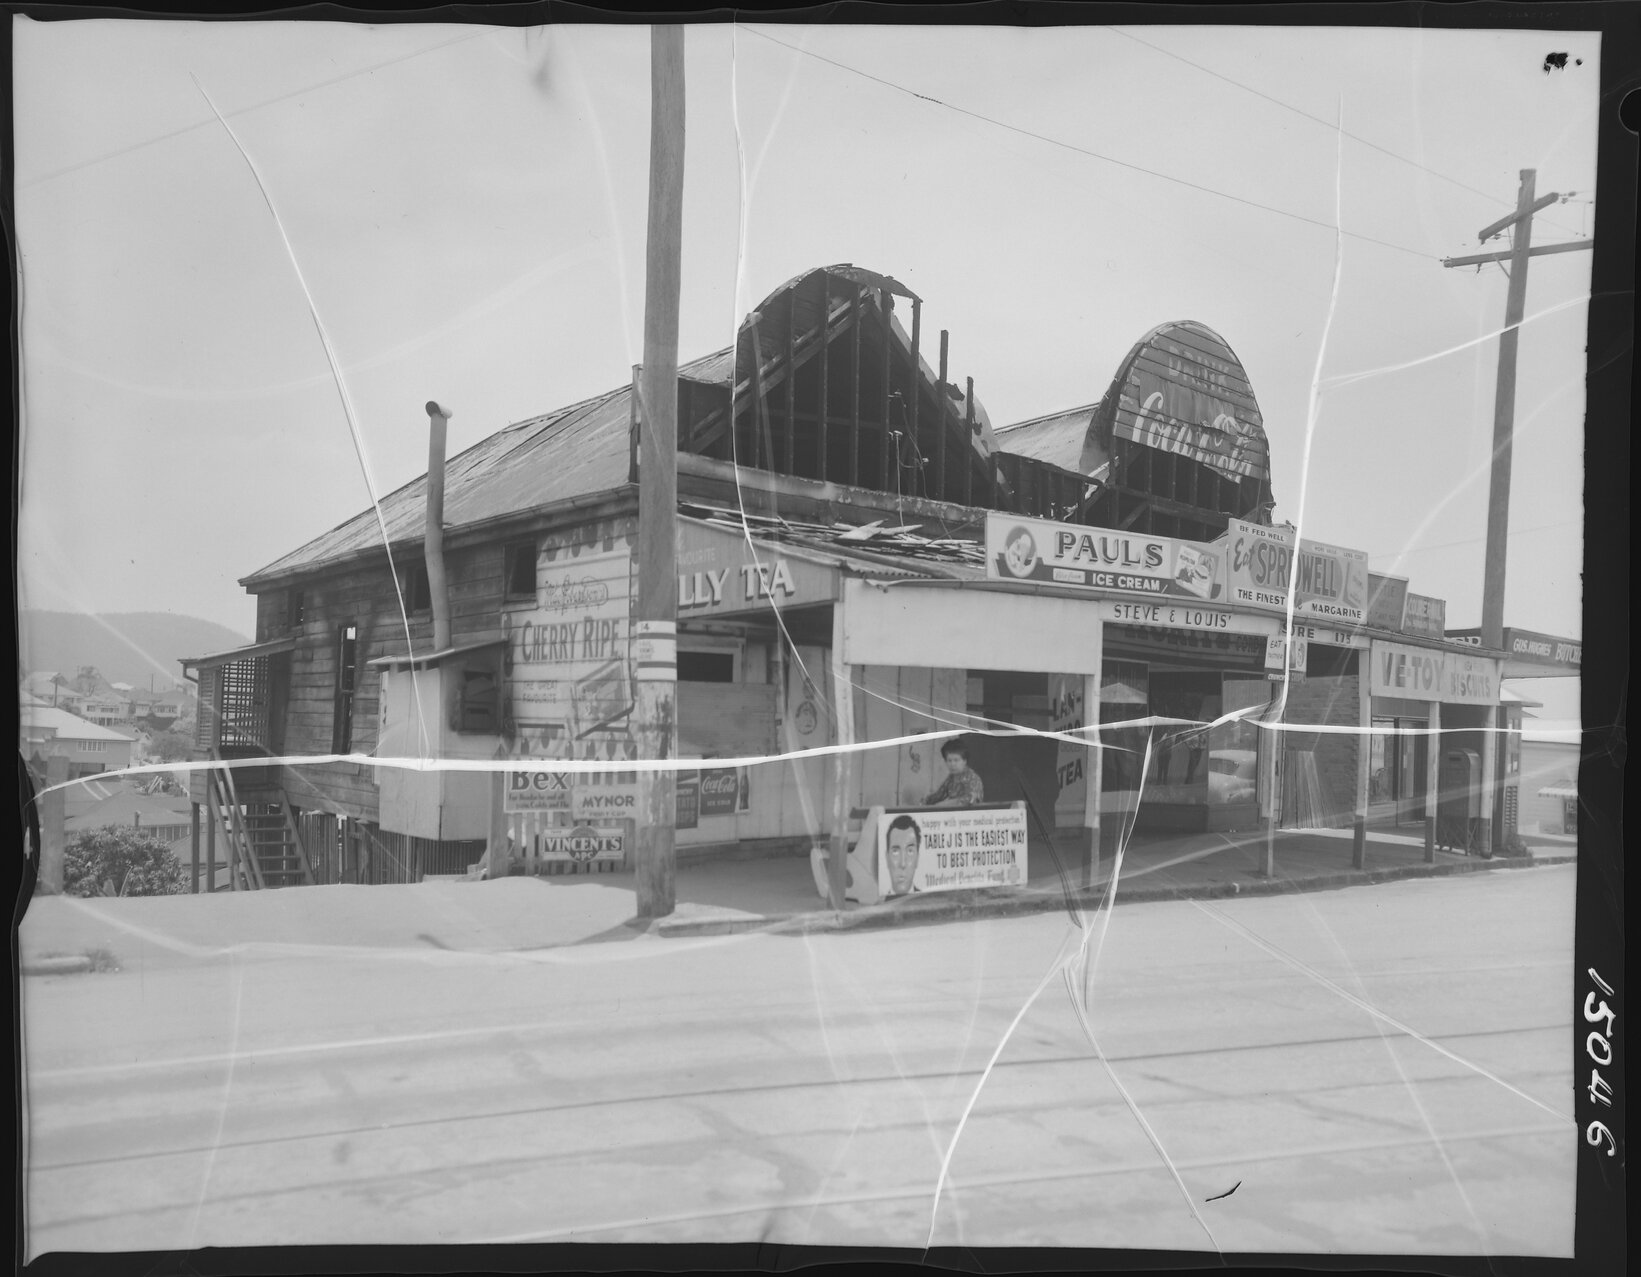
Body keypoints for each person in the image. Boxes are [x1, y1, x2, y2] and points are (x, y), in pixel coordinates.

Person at [923, 738, 985, 807]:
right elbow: (938, 796)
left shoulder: (972, 778)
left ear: (964, 761)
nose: (952, 764)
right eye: (949, 760)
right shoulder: (951, 778)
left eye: (956, 760)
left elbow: (969, 800)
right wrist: (924, 802)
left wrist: (939, 805)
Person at [883, 813, 923, 897]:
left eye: (910, 851)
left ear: (917, 859)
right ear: (887, 858)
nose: (903, 864)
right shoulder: (877, 903)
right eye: (895, 851)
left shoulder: (928, 901)